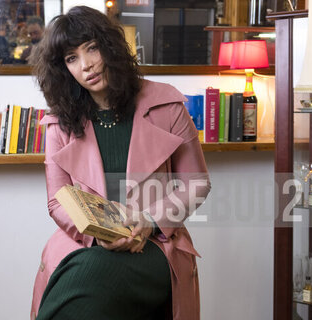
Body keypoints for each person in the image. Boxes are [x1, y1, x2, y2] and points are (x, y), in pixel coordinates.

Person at [29, 6, 211, 320]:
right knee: (88, 269)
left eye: (91, 48)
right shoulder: (58, 122)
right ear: (64, 69)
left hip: (155, 244)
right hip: (83, 244)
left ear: (109, 46)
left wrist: (149, 220)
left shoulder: (167, 104)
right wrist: (97, 234)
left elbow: (197, 183)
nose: (86, 65)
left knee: (90, 276)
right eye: (72, 58)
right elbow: (57, 201)